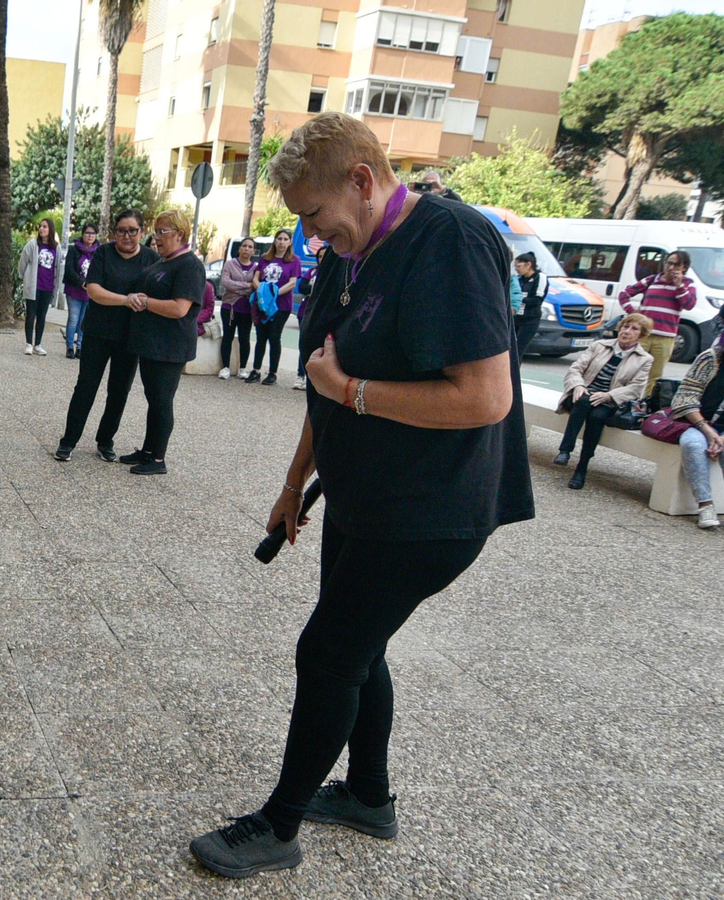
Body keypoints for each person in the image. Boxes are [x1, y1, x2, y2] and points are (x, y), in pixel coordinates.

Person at [187, 112, 533, 879]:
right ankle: (368, 797)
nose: (307, 235)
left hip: (429, 510)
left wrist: (356, 393)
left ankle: (278, 826)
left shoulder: (449, 239)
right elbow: (322, 379)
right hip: (357, 498)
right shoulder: (351, 251)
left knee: (328, 651)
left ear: (363, 181)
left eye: (312, 214)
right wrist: (292, 484)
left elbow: (484, 398)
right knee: (359, 647)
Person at [51, 209, 159, 462]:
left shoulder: (151, 259)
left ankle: (105, 440)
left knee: (119, 391)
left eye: (133, 230)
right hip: (98, 333)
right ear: (114, 233)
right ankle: (68, 441)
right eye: (121, 230)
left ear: (141, 232)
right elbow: (94, 290)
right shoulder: (103, 253)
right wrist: (126, 299)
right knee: (86, 387)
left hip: (129, 338)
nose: (127, 236)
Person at [116, 209, 205, 474]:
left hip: (170, 347)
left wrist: (145, 302)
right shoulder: (163, 262)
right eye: (156, 232)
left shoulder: (189, 265)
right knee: (153, 398)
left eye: (162, 232)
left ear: (180, 234)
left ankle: (158, 459)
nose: (157, 238)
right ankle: (147, 450)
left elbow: (180, 308)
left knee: (162, 401)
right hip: (151, 345)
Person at [553, 314, 654, 489]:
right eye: (625, 326)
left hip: (608, 402)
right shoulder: (599, 345)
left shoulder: (644, 359)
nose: (627, 331)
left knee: (597, 417)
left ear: (642, 335)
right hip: (582, 395)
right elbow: (576, 368)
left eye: (634, 329)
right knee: (584, 402)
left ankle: (580, 467)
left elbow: (636, 387)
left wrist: (609, 396)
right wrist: (578, 385)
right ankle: (566, 450)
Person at [619, 250, 698, 398]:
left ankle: (642, 405)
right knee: (630, 369)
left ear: (684, 268)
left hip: (666, 338)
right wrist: (632, 312)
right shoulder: (651, 280)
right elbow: (624, 294)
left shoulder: (687, 284)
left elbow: (689, 304)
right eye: (669, 263)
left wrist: (679, 285)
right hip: (643, 335)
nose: (671, 267)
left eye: (676, 264)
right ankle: (622, 400)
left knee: (654, 376)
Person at [672, 332, 724, 529]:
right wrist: (709, 432)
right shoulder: (710, 358)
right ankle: (705, 505)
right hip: (699, 424)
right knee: (692, 445)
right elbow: (684, 398)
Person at [247, 228, 302, 385]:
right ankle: (256, 369)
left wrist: (274, 293)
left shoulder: (294, 260)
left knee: (274, 337)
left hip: (281, 306)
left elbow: (292, 283)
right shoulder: (266, 258)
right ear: (275, 241)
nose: (282, 242)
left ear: (290, 242)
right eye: (279, 239)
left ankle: (272, 372)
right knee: (261, 337)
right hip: (262, 305)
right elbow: (255, 279)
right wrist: (263, 292)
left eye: (285, 239)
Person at [217, 237, 261, 380]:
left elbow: (256, 286)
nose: (247, 249)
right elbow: (226, 283)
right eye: (244, 246)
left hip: (247, 308)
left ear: (253, 251)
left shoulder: (256, 267)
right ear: (240, 248)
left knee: (245, 338)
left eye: (250, 247)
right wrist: (246, 286)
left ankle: (242, 368)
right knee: (228, 336)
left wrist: (240, 287)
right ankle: (225, 367)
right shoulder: (230, 264)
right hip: (229, 306)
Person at [19, 218, 60, 355]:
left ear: (51, 229)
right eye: (40, 226)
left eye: (45, 226)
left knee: (42, 316)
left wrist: (56, 287)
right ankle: (29, 343)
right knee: (31, 315)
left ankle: (38, 344)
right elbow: (23, 262)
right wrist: (23, 277)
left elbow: (58, 268)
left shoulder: (56, 248)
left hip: (47, 287)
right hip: (33, 286)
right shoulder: (32, 245)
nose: (41, 229)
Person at [63, 223, 100, 359]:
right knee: (73, 318)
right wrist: (81, 283)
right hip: (74, 289)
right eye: (87, 233)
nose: (90, 236)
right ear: (83, 234)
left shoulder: (98, 251)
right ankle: (69, 346)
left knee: (83, 320)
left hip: (90, 292)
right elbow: (69, 270)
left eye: (92, 234)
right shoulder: (74, 250)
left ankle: (80, 347)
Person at [514, 252, 544, 354]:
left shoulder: (539, 277)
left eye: (518, 266)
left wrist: (518, 298)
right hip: (515, 318)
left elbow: (537, 300)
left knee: (518, 350)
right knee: (509, 349)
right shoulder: (518, 279)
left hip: (530, 320)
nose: (516, 269)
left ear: (528, 264)